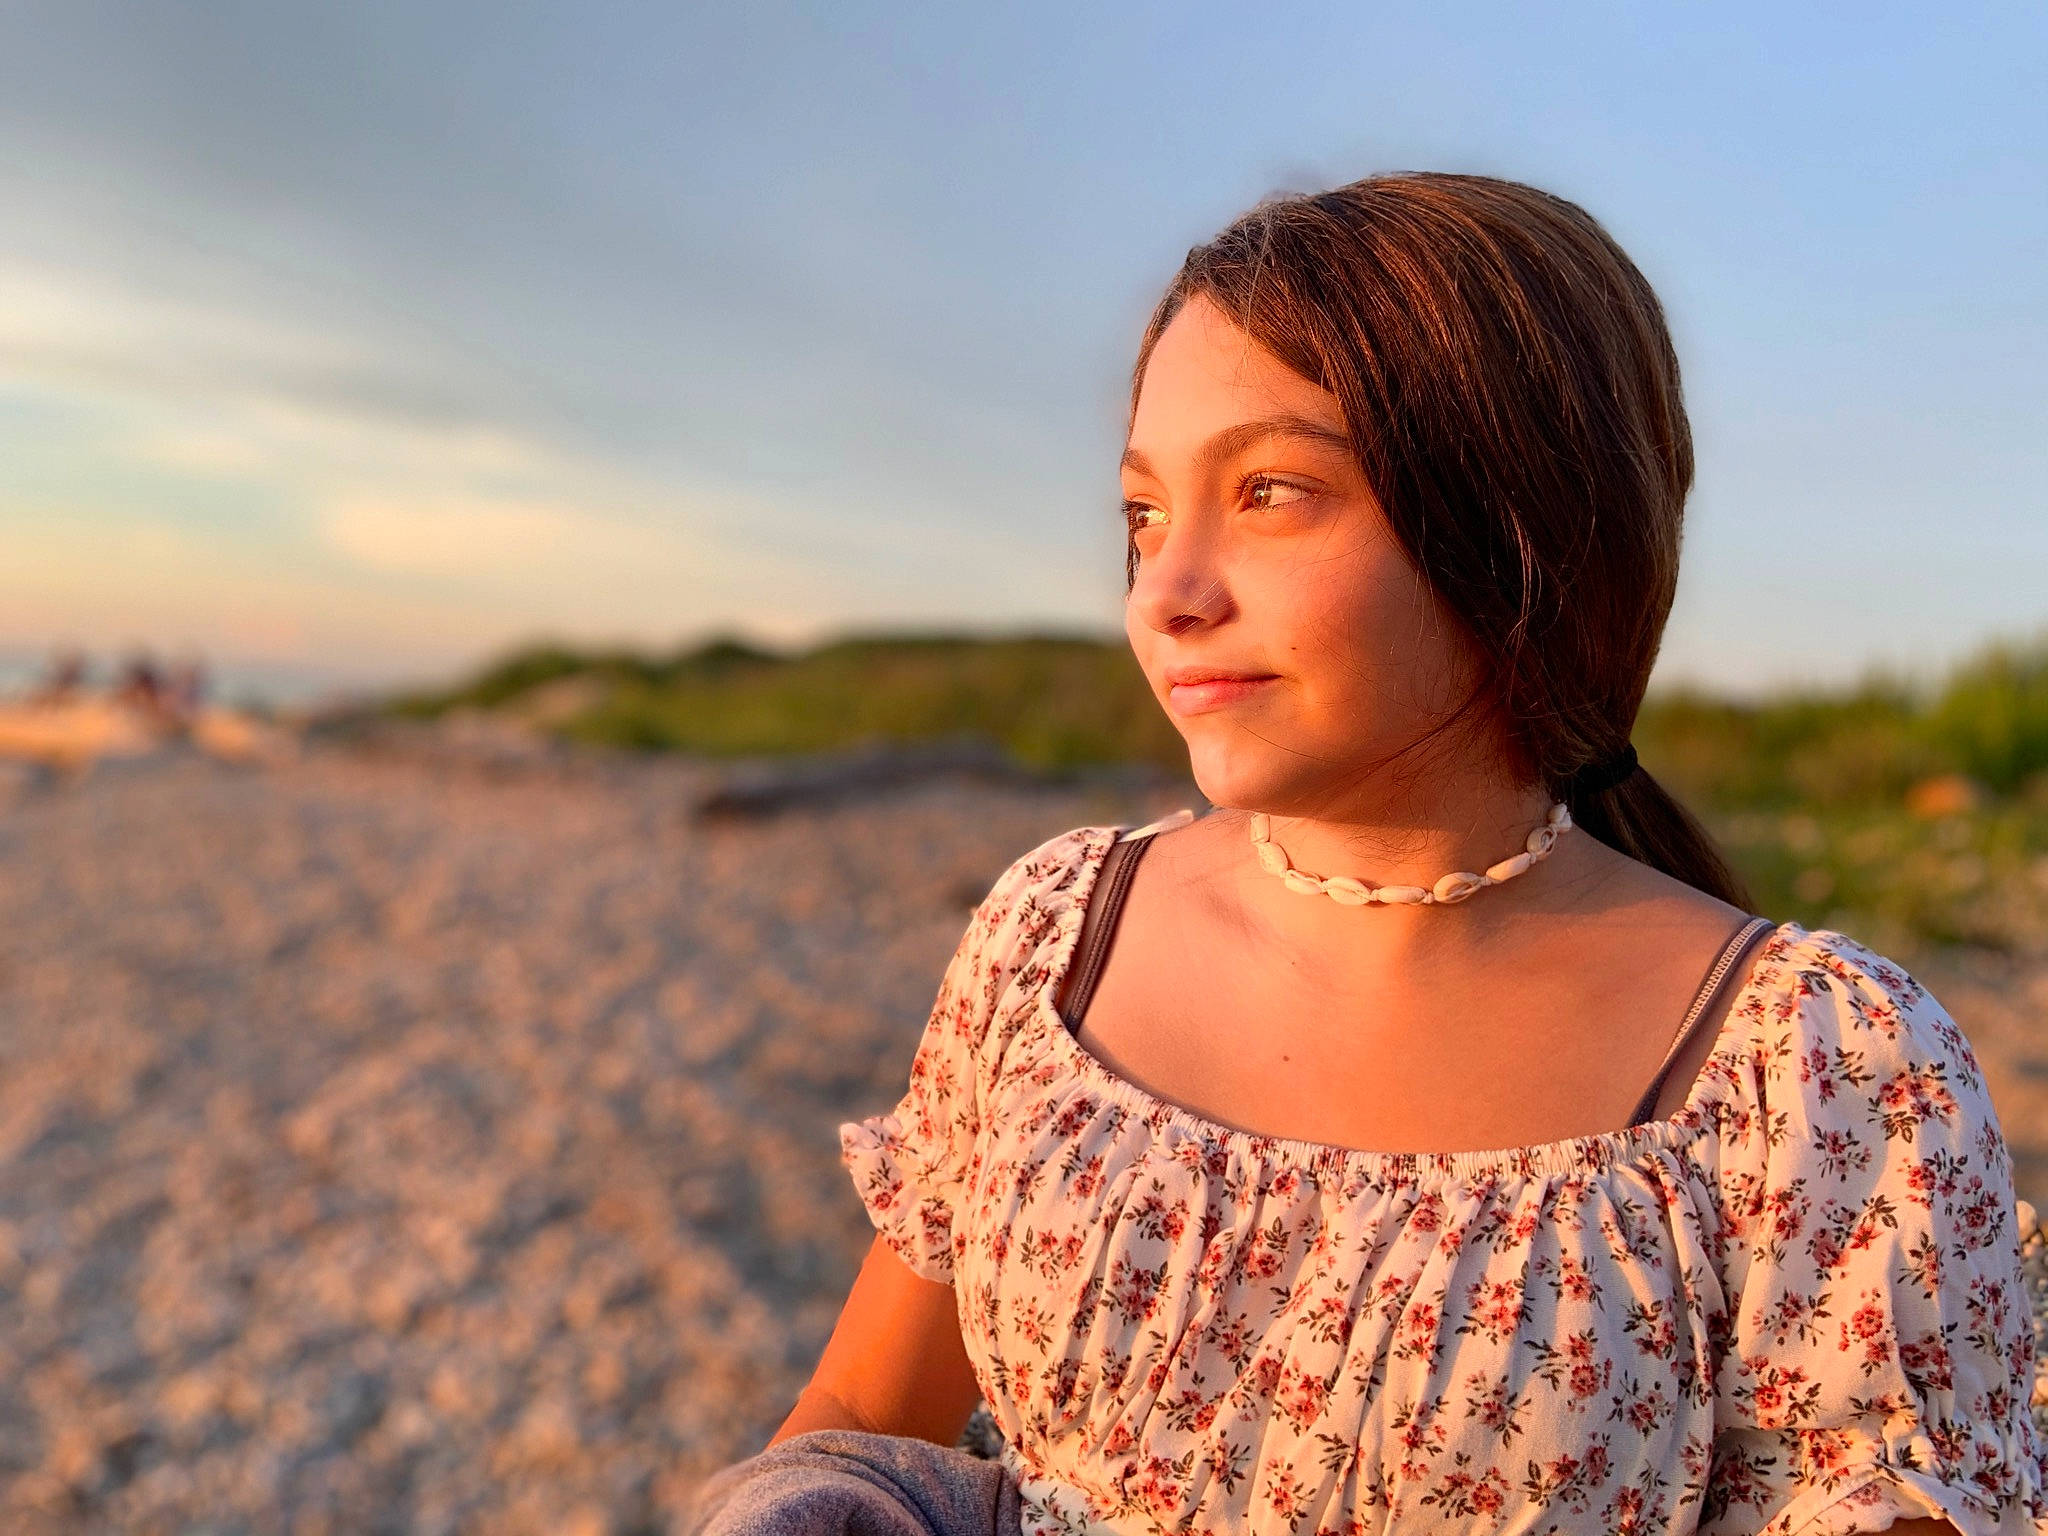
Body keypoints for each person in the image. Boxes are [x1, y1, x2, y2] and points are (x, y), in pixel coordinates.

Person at [689, 174, 2047, 1535]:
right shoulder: (1055, 937)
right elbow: (860, 1412)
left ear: (1519, 524)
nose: (1165, 594)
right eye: (1144, 514)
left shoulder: (1819, 1076)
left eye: (1269, 492)